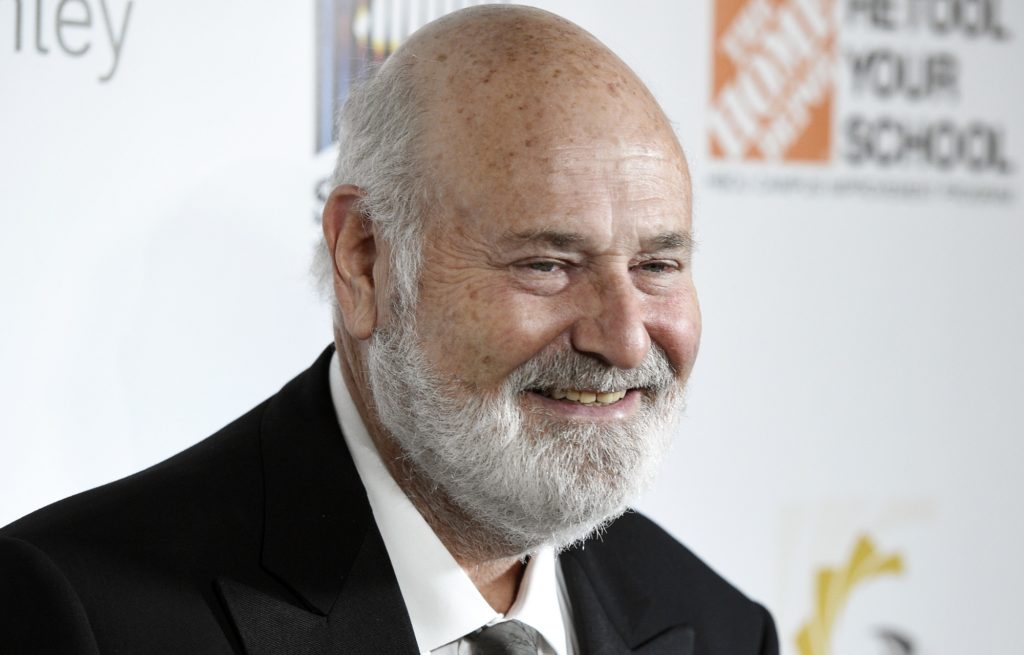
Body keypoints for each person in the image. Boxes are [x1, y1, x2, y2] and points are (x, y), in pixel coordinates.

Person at [0, 5, 778, 654]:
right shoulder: (79, 614)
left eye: (658, 266)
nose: (626, 338)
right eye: (547, 263)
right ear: (365, 259)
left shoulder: (724, 628)